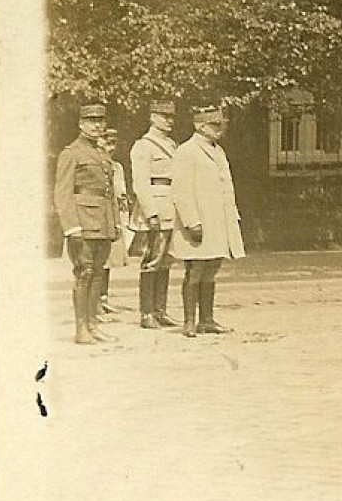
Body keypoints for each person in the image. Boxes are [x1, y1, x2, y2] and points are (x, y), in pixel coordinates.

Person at [170, 103, 246, 337]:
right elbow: (181, 190)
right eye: (214, 124)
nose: (219, 128)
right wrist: (192, 221)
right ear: (199, 126)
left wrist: (232, 217)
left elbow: (226, 188)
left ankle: (207, 319)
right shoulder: (186, 151)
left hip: (217, 221)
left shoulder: (218, 151)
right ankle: (190, 321)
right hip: (198, 221)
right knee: (195, 270)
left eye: (220, 124)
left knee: (212, 268)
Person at [54, 102, 119, 344]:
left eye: (100, 121)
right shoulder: (71, 153)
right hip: (82, 222)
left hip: (102, 223)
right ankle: (81, 329)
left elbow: (108, 192)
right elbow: (62, 193)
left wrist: (114, 224)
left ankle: (93, 326)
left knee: (98, 275)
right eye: (92, 121)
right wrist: (72, 228)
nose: (97, 125)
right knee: (85, 273)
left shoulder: (101, 154)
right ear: (81, 124)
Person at [130, 99, 181, 329]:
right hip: (156, 206)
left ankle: (161, 310)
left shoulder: (171, 145)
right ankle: (146, 313)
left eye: (171, 117)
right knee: (152, 260)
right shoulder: (143, 146)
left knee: (166, 260)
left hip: (172, 205)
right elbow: (140, 183)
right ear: (152, 117)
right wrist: (150, 212)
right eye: (163, 116)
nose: (169, 120)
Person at [98, 127, 131, 318]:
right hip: (100, 216)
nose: (110, 148)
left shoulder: (117, 167)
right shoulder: (97, 165)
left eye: (113, 144)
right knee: (98, 260)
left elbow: (121, 191)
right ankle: (94, 303)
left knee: (109, 260)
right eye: (106, 142)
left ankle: (103, 298)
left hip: (116, 216)